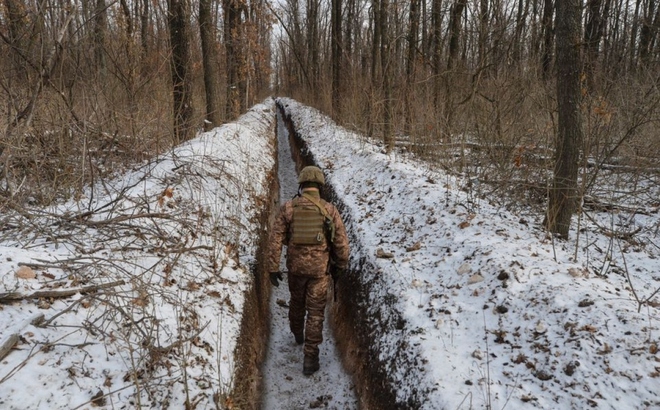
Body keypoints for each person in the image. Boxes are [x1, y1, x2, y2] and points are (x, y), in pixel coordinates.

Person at [267, 165, 350, 376]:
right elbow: (341, 244)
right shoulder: (329, 210)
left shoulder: (288, 208)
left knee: (296, 302)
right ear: (319, 186)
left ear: (302, 184)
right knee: (315, 313)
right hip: (319, 272)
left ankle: (297, 333)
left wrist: (272, 268)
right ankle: (310, 357)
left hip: (295, 270)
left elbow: (275, 239)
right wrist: (340, 267)